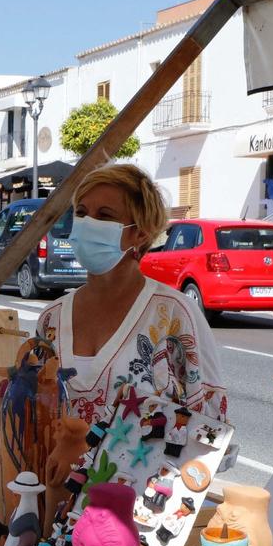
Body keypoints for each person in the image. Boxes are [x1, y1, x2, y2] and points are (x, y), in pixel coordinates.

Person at [34, 163, 227, 428]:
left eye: (104, 216)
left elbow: (209, 426)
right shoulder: (51, 320)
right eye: (81, 213)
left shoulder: (175, 315)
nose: (88, 223)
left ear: (141, 232)